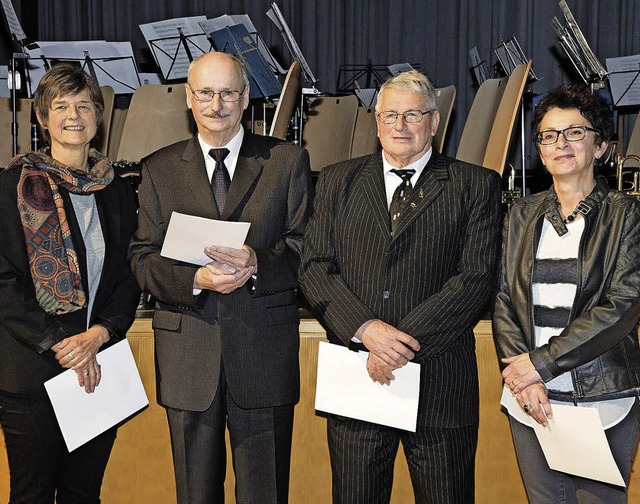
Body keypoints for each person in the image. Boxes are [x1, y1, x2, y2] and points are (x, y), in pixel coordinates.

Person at [299, 70, 502, 503]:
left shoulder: (475, 184)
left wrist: (398, 347)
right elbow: (314, 268)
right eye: (390, 116)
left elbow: (476, 278)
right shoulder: (337, 181)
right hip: (358, 381)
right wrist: (367, 330)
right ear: (376, 122)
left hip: (440, 385)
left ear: (434, 120)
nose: (401, 127)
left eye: (413, 115)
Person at [128, 51, 312, 504]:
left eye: (228, 92)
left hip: (263, 355)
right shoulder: (158, 168)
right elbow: (142, 258)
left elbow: (308, 248)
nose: (217, 104)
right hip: (189, 357)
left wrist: (256, 263)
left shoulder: (287, 162)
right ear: (189, 99)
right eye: (206, 93)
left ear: (246, 97)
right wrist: (196, 280)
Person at [493, 83, 640, 503]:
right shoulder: (520, 214)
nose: (561, 143)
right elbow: (504, 297)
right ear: (539, 150)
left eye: (575, 132)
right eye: (549, 135)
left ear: (601, 147)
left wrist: (540, 364)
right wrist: (524, 380)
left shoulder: (626, 214)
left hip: (601, 400)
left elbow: (623, 305)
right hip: (531, 400)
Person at [0, 62, 140, 502]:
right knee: (32, 494)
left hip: (97, 366)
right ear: (42, 118)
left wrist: (99, 335)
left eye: (84, 105)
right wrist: (64, 346)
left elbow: (130, 273)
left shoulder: (117, 189)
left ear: (99, 118)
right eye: (60, 106)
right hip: (32, 369)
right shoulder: (12, 187)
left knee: (84, 494)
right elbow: (3, 282)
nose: (73, 115)